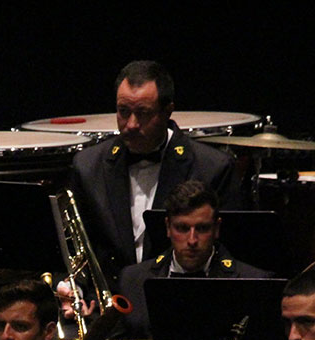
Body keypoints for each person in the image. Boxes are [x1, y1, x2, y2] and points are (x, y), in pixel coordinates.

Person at [70, 60, 237, 278]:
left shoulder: (213, 168)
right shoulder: (87, 166)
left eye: (143, 113)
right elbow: (77, 250)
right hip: (110, 301)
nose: (131, 124)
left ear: (167, 111)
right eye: (123, 111)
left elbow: (230, 253)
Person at [117, 179, 271, 338]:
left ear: (216, 228)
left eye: (202, 228)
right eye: (182, 228)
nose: (192, 240)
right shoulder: (132, 280)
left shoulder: (253, 281)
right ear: (168, 227)